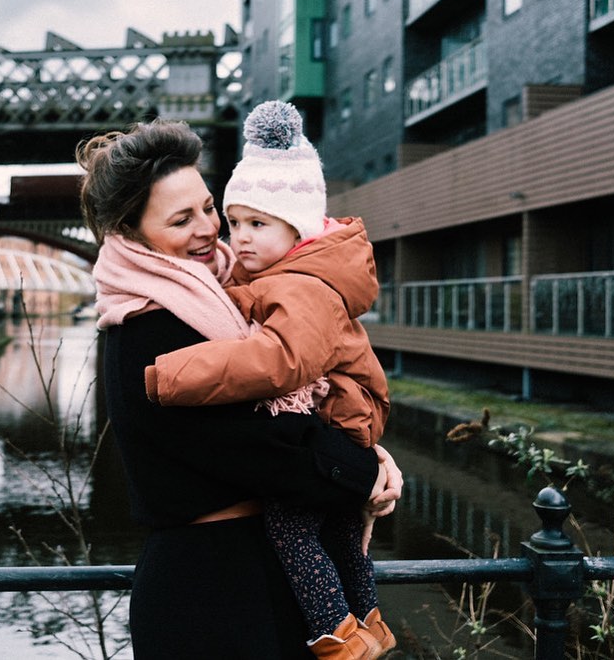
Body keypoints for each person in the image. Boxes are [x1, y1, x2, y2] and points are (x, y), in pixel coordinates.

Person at [77, 119, 403, 659]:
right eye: (181, 220)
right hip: (210, 594)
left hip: (262, 582)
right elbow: (269, 451)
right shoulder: (146, 328)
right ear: (132, 233)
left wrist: (369, 456)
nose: (209, 229)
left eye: (209, 208)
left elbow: (301, 412)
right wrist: (364, 470)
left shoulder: (234, 296)